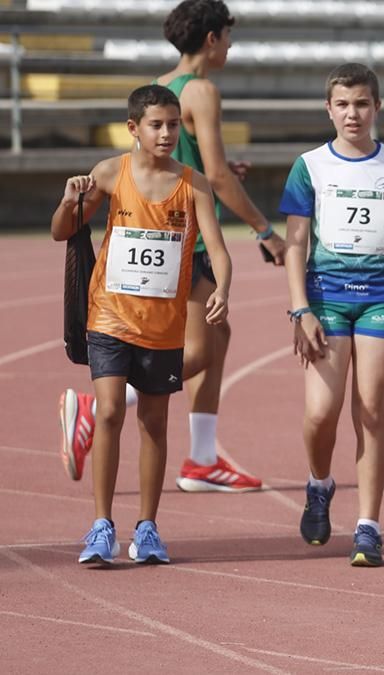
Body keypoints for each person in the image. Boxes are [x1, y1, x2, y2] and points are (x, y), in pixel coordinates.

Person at [58, 0, 282, 493]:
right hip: (183, 237)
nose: (229, 46)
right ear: (211, 38)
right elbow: (215, 176)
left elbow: (182, 163)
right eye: (227, 36)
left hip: (167, 228)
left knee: (218, 337)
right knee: (197, 349)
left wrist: (208, 168)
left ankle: (202, 458)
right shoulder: (201, 90)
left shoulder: (163, 86)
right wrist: (265, 230)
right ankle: (101, 405)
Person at [51, 84, 231, 565]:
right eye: (156, 125)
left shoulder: (193, 184)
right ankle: (101, 526)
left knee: (154, 422)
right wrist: (69, 202)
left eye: (173, 124)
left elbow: (217, 249)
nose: (167, 133)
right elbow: (61, 231)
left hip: (164, 325)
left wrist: (223, 289)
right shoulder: (110, 173)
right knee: (110, 411)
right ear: (133, 128)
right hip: (109, 315)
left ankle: (147, 528)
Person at [280, 63, 384, 566]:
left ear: (377, 107)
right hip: (325, 297)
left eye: (362, 104)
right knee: (320, 412)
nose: (353, 113)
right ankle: (319, 483)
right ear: (328, 109)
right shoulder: (310, 166)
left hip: (380, 297)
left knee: (370, 409)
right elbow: (295, 244)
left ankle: (369, 526)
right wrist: (300, 309)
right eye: (343, 104)